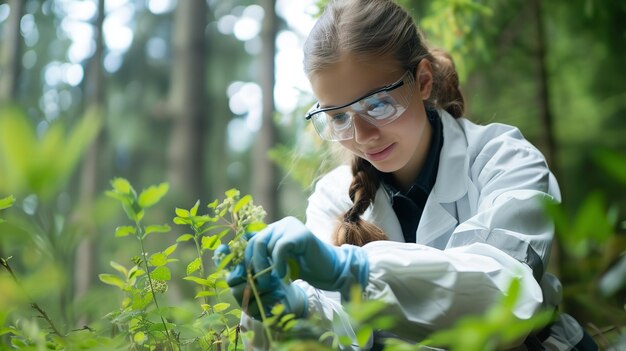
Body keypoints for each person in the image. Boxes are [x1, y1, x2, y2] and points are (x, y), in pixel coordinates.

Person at [218, 0, 598, 349]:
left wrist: (353, 273)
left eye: (378, 104)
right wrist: (291, 310)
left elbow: (505, 296)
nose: (362, 136)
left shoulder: (504, 160)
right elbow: (339, 330)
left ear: (424, 81)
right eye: (337, 117)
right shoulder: (332, 198)